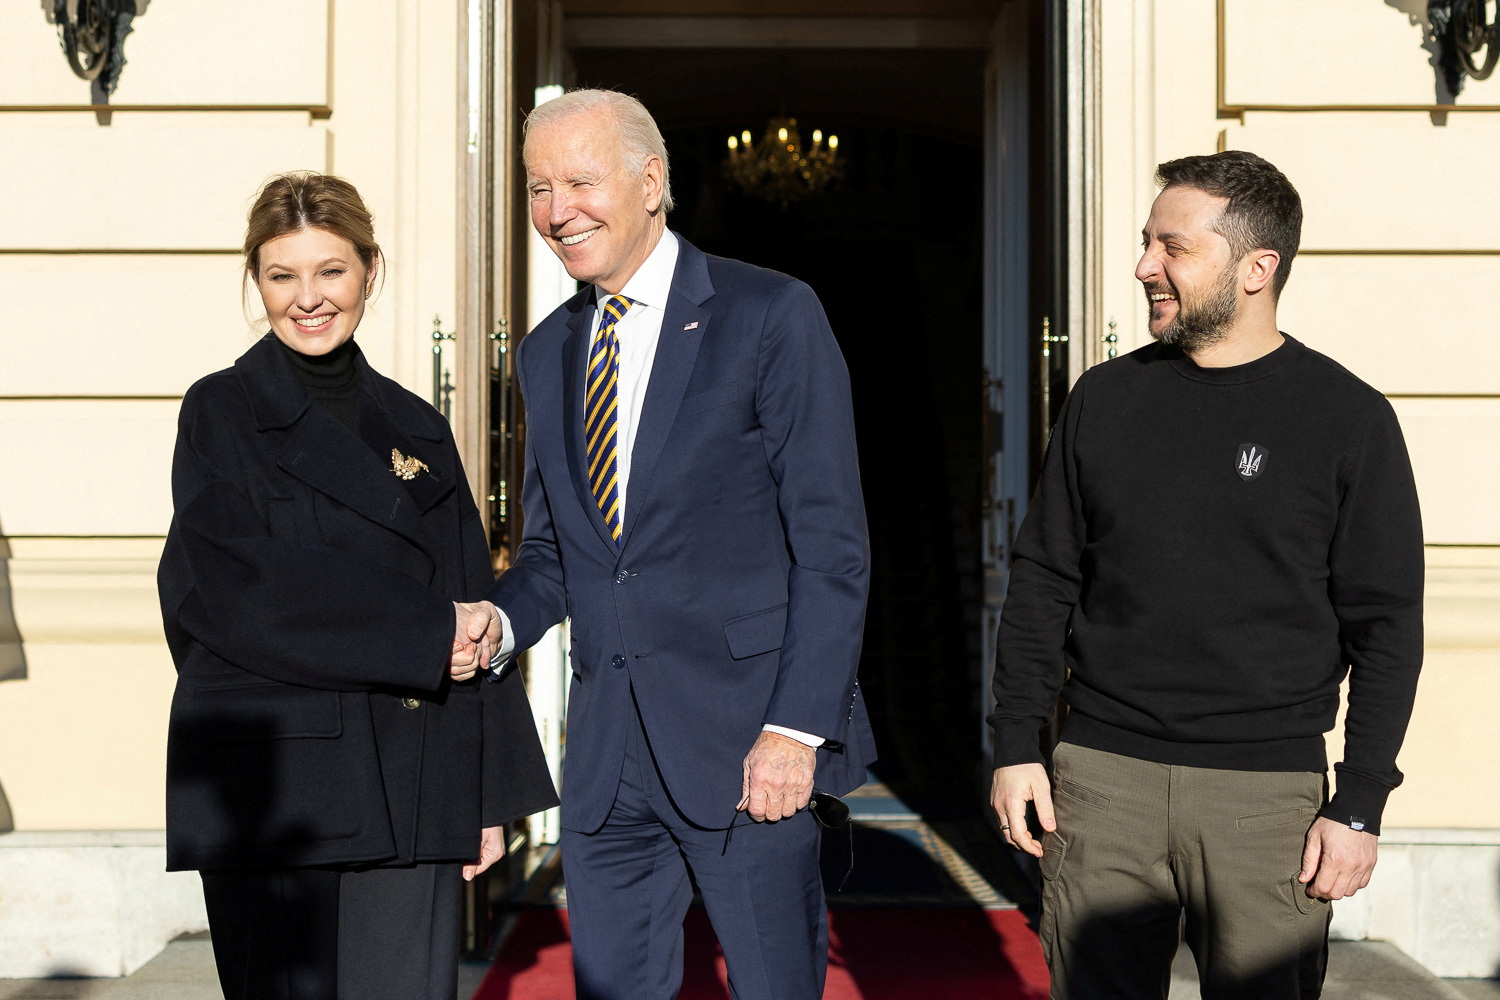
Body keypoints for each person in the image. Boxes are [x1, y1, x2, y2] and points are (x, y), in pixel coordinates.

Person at [988, 150, 1424, 998]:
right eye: (1147, 242)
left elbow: (1387, 628)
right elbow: (1042, 580)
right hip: (1102, 784)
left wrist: (1359, 801)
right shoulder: (1102, 401)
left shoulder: (1348, 418)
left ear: (1257, 268)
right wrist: (1015, 745)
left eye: (1173, 247)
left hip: (1267, 799)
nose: (1144, 266)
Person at [486, 89, 874, 1000]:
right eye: (539, 188)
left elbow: (832, 547)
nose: (557, 211)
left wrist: (794, 731)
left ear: (651, 181)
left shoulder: (770, 313)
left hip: (750, 750)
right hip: (607, 767)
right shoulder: (546, 352)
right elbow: (555, 555)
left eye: (580, 181)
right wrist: (496, 625)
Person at [157, 171, 557, 1000]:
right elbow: (240, 590)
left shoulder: (419, 426)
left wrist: (487, 793)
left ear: (370, 271)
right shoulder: (220, 412)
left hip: (417, 779)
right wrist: (424, 635)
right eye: (282, 275)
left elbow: (471, 597)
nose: (308, 298)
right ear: (256, 281)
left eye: (330, 270)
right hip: (277, 787)